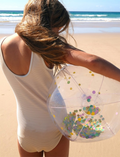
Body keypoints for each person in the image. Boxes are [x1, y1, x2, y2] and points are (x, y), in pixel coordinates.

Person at [0, 0, 120, 157]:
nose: (57, 33)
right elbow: (92, 61)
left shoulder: (4, 43)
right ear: (49, 22)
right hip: (53, 128)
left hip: (26, 130)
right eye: (58, 27)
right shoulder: (46, 47)